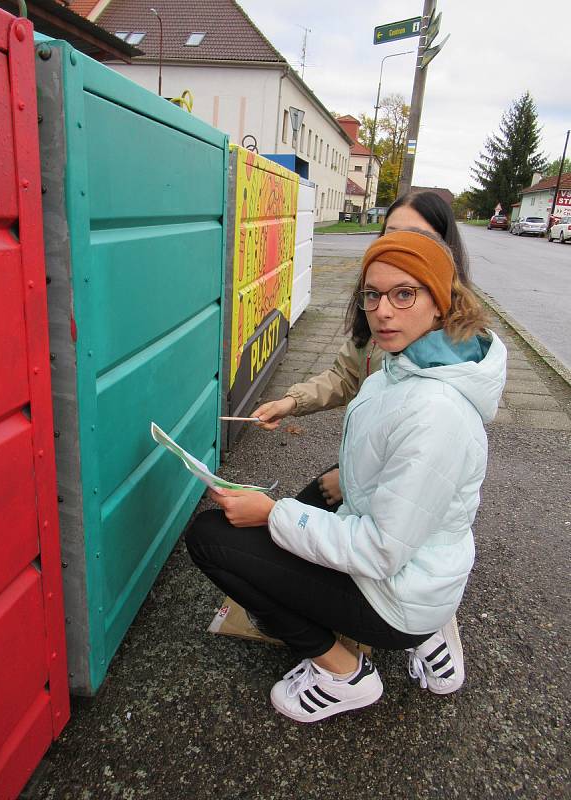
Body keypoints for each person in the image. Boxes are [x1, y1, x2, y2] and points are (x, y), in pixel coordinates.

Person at [186, 229, 507, 723]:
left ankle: (343, 674)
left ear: (440, 303)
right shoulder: (404, 367)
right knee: (304, 501)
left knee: (211, 538)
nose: (382, 311)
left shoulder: (436, 411)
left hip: (395, 595)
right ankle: (413, 632)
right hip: (414, 573)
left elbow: (379, 549)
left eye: (404, 294)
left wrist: (273, 514)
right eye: (373, 295)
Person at [252, 191, 472, 510]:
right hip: (362, 467)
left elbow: (416, 462)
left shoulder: (443, 365)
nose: (401, 248)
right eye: (393, 235)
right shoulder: (379, 311)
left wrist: (347, 482)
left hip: (382, 488)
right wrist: (291, 402)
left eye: (420, 238)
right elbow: (346, 375)